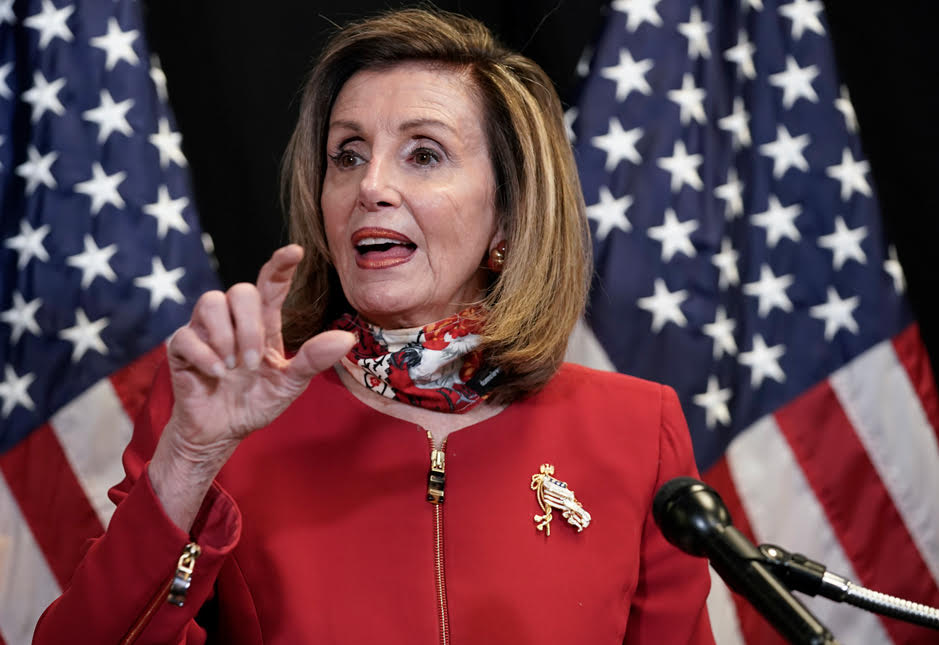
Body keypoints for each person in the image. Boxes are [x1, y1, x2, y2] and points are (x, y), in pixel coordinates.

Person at [35, 8, 714, 644]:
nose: (369, 186)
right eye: (347, 155)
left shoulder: (636, 430)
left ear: (508, 212)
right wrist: (188, 461)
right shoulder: (222, 411)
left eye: (423, 154)